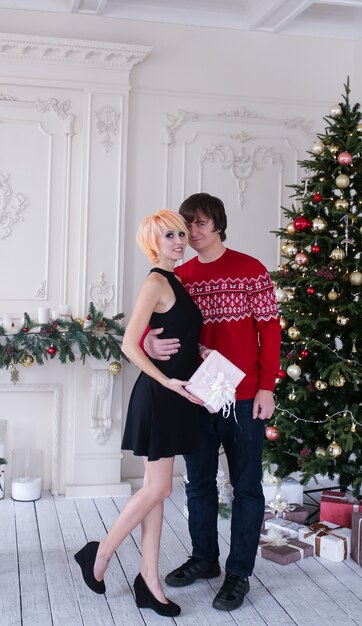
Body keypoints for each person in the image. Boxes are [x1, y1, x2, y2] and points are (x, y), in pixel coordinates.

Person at [144, 193, 281, 611]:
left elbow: (270, 330)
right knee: (198, 483)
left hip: (243, 398)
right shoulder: (178, 276)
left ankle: (238, 573)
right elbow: (156, 326)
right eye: (187, 226)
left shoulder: (250, 270)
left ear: (218, 225)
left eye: (201, 224)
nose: (194, 233)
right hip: (196, 397)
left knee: (246, 486)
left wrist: (267, 387)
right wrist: (149, 340)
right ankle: (204, 559)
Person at [74, 210, 203, 618]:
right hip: (160, 394)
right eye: (170, 235)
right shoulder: (155, 281)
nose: (179, 241)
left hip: (175, 394)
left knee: (156, 491)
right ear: (153, 241)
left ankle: (149, 578)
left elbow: (176, 335)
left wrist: (198, 352)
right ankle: (101, 553)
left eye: (182, 234)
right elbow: (131, 344)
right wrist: (165, 381)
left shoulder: (176, 281)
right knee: (159, 489)